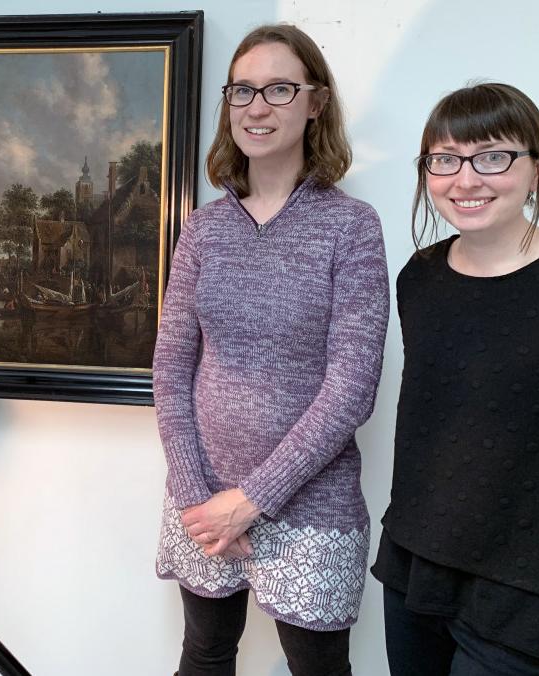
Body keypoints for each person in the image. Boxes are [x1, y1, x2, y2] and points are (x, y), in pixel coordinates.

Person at [153, 23, 389, 676]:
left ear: (315, 103)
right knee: (203, 655)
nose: (258, 107)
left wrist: (251, 500)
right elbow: (172, 368)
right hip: (201, 499)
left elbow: (352, 387)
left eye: (280, 89)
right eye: (243, 91)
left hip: (311, 504)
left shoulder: (351, 228)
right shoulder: (203, 229)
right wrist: (196, 492)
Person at [372, 82, 539, 676]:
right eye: (445, 160)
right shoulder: (420, 277)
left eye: (493, 156)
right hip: (413, 577)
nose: (466, 179)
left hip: (532, 599)